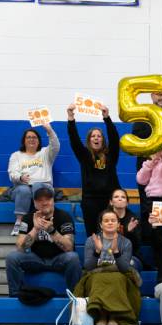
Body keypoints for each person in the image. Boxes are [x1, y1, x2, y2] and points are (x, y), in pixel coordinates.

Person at [6, 186, 80, 297]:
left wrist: (52, 231)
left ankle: (76, 297)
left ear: (53, 201)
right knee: (12, 258)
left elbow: (69, 247)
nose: (44, 203)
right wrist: (35, 229)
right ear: (35, 203)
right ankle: (15, 295)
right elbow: (20, 247)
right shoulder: (28, 218)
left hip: (59, 259)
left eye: (48, 199)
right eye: (40, 200)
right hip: (37, 259)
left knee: (73, 257)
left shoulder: (64, 217)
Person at [76, 209, 141, 325]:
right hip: (95, 274)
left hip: (119, 274)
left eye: (113, 220)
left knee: (117, 279)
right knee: (98, 279)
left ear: (118, 224)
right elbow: (88, 267)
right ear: (101, 224)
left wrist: (116, 252)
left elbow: (125, 269)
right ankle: (101, 316)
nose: (110, 223)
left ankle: (113, 317)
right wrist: (97, 251)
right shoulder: (91, 240)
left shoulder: (126, 242)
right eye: (106, 221)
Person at [67, 102, 120, 237]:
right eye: (93, 136)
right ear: (89, 140)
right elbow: (74, 140)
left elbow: (114, 139)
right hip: (90, 201)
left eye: (99, 136)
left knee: (109, 234)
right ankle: (94, 256)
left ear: (103, 140)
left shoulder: (110, 156)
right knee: (92, 235)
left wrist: (107, 118)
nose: (96, 138)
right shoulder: (85, 156)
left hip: (108, 201)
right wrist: (70, 117)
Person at [131, 89, 162, 243]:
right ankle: (148, 240)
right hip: (147, 166)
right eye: (159, 94)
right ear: (152, 96)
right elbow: (136, 138)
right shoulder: (143, 115)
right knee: (147, 204)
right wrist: (152, 151)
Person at [7, 124, 59, 235]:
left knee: (37, 186)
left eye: (34, 137)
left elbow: (55, 145)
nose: (31, 139)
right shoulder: (16, 155)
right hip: (22, 187)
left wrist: (49, 130)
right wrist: (20, 177)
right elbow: (12, 173)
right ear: (24, 141)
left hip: (43, 186)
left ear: (39, 141)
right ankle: (19, 222)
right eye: (28, 137)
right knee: (23, 190)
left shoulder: (45, 153)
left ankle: (43, 220)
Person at [108, 189, 143, 270]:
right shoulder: (105, 218)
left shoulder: (134, 219)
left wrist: (130, 232)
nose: (120, 199)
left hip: (132, 255)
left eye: (123, 197)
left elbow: (137, 246)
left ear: (127, 203)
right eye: (116, 197)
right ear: (111, 202)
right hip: (109, 255)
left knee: (129, 265)